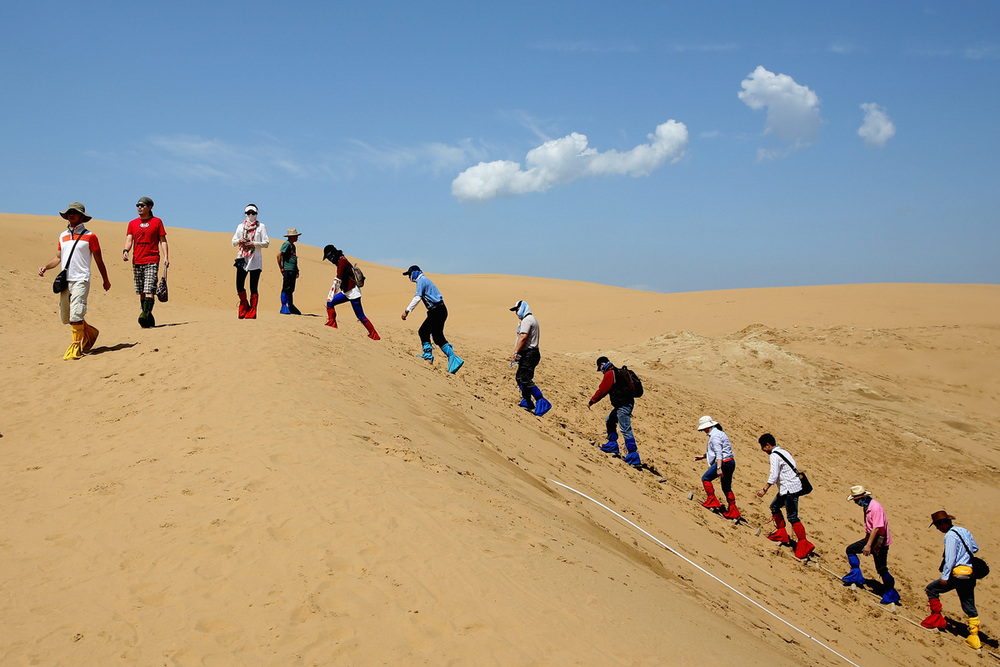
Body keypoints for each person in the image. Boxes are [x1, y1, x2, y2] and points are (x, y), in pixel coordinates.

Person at [37, 202, 111, 359]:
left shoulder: (91, 236)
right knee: (67, 317)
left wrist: (106, 280)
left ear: (82, 216)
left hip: (81, 279)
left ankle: (76, 347)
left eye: (75, 213)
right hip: (65, 281)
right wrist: (45, 267)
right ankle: (90, 332)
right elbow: (58, 258)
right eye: (69, 212)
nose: (71, 215)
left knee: (77, 313)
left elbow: (99, 260)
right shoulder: (62, 236)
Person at [920, 510, 982, 650]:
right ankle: (974, 636)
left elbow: (950, 559)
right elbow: (975, 548)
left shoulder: (950, 536)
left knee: (931, 589)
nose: (937, 528)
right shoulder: (964, 531)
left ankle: (936, 619)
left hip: (957, 574)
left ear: (943, 523)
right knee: (968, 604)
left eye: (937, 525)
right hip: (970, 573)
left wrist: (945, 577)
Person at [756, 433, 815, 559]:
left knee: (792, 517)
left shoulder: (774, 456)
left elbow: (774, 475)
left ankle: (803, 544)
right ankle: (781, 534)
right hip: (789, 488)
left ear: (767, 445)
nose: (762, 449)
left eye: (762, 447)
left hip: (789, 489)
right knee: (774, 507)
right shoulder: (783, 452)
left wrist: (764, 489)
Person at [841, 485, 900, 604]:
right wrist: (866, 540)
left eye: (856, 500)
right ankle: (855, 575)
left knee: (881, 568)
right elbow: (869, 527)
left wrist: (868, 545)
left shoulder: (875, 508)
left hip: (879, 541)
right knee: (851, 549)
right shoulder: (866, 506)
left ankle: (890, 592)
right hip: (871, 538)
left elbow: (877, 528)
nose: (855, 502)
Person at [400, 265, 463, 373]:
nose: (409, 277)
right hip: (440, 311)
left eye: (409, 274)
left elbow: (417, 297)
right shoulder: (424, 280)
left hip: (437, 311)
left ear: (415, 273)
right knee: (437, 336)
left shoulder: (421, 281)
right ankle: (453, 358)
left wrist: (407, 311)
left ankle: (428, 356)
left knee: (423, 331)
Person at [588, 356, 642, 468]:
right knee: (610, 421)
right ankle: (612, 445)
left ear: (602, 364)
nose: (601, 371)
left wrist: (592, 401)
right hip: (623, 404)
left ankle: (633, 457)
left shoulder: (610, 373)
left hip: (623, 405)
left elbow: (603, 390)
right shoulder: (616, 371)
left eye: (600, 368)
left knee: (625, 429)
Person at [123, 196, 168, 328]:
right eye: (138, 205)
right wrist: (126, 250)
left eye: (142, 205)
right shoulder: (132, 223)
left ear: (149, 207)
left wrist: (166, 256)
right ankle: (147, 317)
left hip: (152, 259)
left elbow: (163, 240)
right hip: (137, 260)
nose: (139, 207)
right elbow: (129, 239)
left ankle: (145, 314)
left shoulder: (157, 222)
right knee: (141, 291)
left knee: (149, 289)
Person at [322, 245, 380, 339]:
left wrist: (332, 293)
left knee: (360, 316)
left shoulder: (341, 262)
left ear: (332, 254)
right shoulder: (340, 260)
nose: (329, 260)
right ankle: (332, 324)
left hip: (353, 292)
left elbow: (338, 278)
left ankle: (374, 335)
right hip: (346, 291)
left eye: (329, 257)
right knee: (330, 302)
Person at [509, 300, 551, 416]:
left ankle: (541, 400)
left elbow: (523, 337)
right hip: (527, 353)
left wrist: (516, 352)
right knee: (519, 377)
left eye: (517, 310)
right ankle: (527, 401)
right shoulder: (528, 320)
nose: (516, 313)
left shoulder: (528, 320)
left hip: (530, 354)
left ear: (522, 308)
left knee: (525, 379)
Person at [695, 416, 740, 519]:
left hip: (723, 463)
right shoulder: (721, 433)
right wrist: (703, 456)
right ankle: (733, 510)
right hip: (730, 462)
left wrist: (719, 468)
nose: (704, 432)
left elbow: (719, 454)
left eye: (704, 429)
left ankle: (712, 501)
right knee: (726, 487)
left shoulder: (714, 436)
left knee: (706, 478)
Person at [231, 204, 269, 319]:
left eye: (253, 213)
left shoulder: (261, 226)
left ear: (256, 214)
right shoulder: (240, 227)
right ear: (245, 214)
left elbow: (266, 243)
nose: (250, 215)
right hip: (242, 258)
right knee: (239, 285)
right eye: (248, 213)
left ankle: (252, 310)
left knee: (253, 286)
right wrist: (239, 240)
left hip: (255, 260)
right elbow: (233, 242)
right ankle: (243, 305)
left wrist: (254, 244)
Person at [277, 228, 302, 315]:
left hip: (293, 270)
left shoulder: (293, 246)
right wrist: (281, 267)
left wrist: (297, 269)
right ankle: (284, 306)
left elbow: (294, 258)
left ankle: (290, 305)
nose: (297, 238)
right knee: (286, 288)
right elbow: (279, 254)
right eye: (296, 236)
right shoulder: (286, 244)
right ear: (292, 237)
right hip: (288, 269)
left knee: (291, 289)